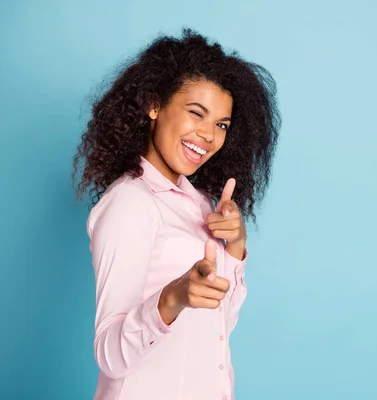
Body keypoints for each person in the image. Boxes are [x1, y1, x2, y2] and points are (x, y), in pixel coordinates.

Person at [73, 28, 281, 400]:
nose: (207, 135)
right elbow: (109, 355)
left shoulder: (200, 205)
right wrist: (173, 297)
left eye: (221, 125)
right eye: (196, 113)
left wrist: (235, 247)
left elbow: (217, 328)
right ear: (154, 105)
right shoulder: (130, 203)